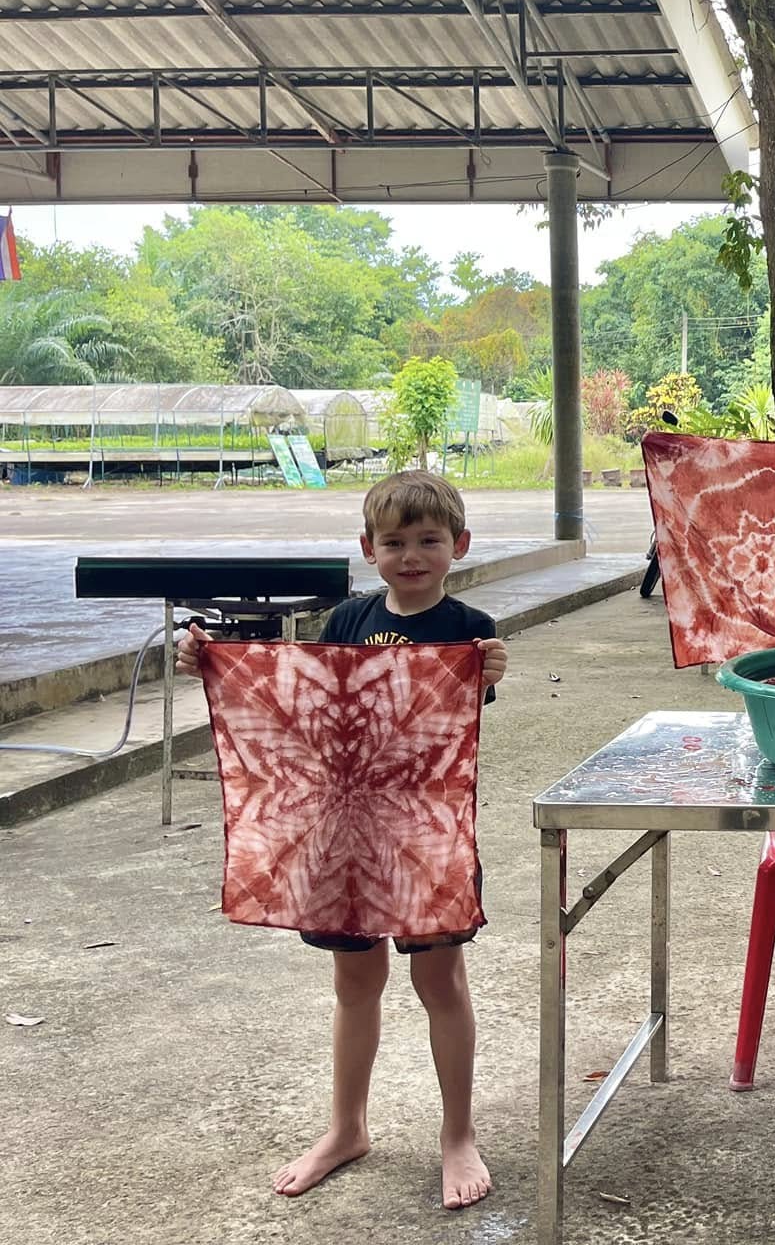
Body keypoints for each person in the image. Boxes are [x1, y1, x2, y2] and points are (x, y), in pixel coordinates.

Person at [178, 470, 507, 1208]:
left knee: (440, 983)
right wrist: (215, 665)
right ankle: (346, 1127)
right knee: (354, 986)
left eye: (429, 540)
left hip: (425, 837)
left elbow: (463, 714)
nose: (412, 554)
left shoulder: (470, 626)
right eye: (394, 542)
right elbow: (298, 703)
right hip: (341, 834)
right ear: (368, 549)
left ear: (459, 545)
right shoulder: (345, 621)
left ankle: (458, 1134)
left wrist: (487, 670)